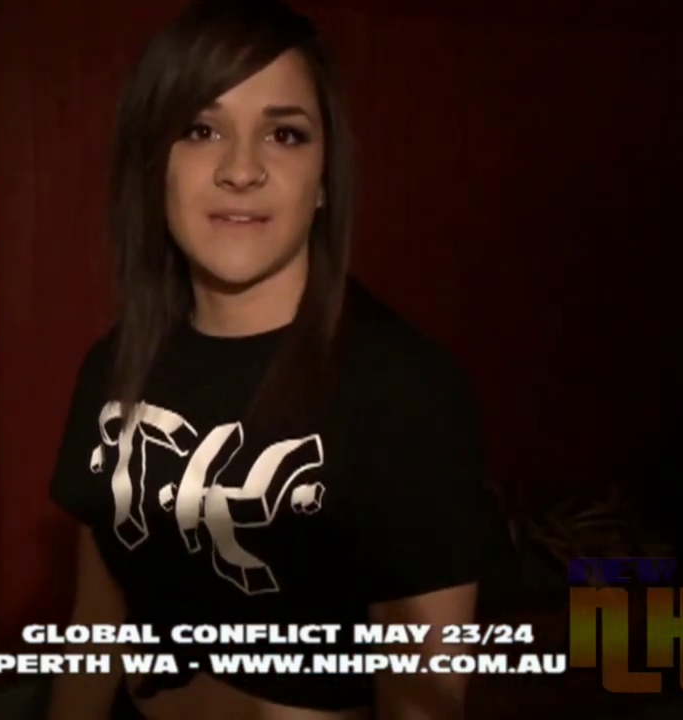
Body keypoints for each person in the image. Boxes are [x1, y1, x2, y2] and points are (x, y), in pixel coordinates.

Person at [48, 1, 499, 717]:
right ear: (153, 164)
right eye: (201, 129)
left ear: (324, 179)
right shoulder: (114, 365)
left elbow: (423, 701)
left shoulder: (406, 391)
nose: (241, 169)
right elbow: (95, 634)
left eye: (284, 133)